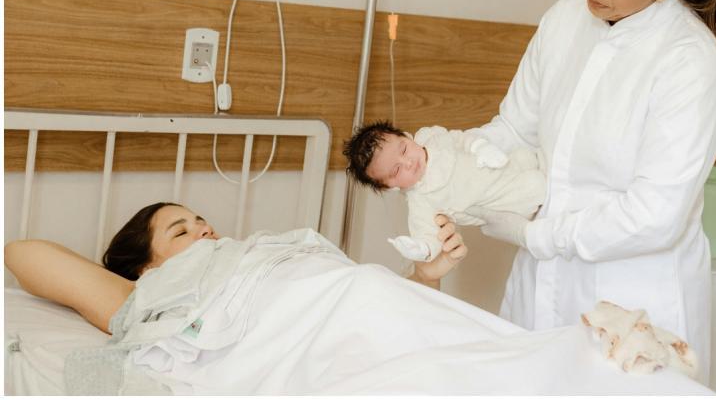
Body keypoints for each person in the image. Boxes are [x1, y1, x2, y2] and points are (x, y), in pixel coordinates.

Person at [460, 0, 716, 384]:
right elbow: (515, 130)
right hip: (540, 286)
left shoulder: (690, 63)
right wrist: (449, 169)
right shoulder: (564, 19)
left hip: (635, 308)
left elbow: (656, 214)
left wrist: (538, 235)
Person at [3, 202, 467, 334]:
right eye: (181, 232)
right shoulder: (153, 294)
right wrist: (126, 288)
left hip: (362, 302)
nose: (204, 230)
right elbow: (21, 253)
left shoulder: (257, 251)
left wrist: (427, 275)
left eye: (202, 221)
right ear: (147, 269)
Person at [343, 121, 546, 262]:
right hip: (501, 202)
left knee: (526, 156)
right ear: (390, 187)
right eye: (397, 170)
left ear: (406, 136)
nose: (409, 162)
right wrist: (421, 249)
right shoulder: (420, 200)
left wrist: (479, 146)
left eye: (404, 149)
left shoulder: (431, 137)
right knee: (535, 186)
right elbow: (428, 234)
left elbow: (460, 138)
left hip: (496, 164)